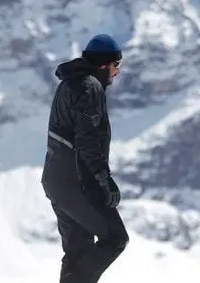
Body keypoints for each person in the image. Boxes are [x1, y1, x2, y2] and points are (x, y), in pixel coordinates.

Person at [41, 33, 129, 283]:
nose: (116, 73)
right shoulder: (90, 86)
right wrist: (105, 179)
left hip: (57, 181)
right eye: (116, 66)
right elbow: (87, 140)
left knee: (77, 251)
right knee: (115, 238)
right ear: (104, 65)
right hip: (76, 182)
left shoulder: (70, 83)